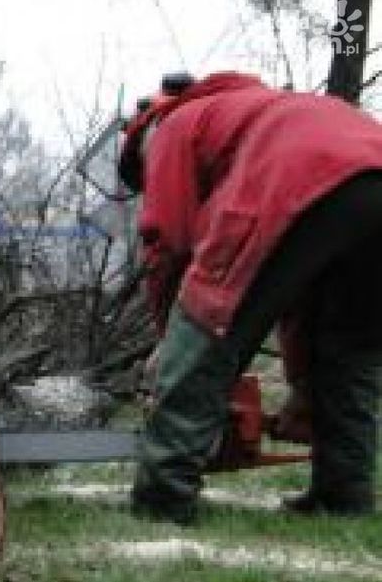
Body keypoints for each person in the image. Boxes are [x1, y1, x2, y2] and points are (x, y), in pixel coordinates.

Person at [118, 71, 382, 524]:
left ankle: (164, 497)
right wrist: (303, 387)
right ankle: (345, 495)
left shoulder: (172, 126)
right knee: (351, 349)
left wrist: (173, 343)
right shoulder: (262, 110)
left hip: (297, 173)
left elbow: (169, 241)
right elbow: (298, 297)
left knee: (205, 320)